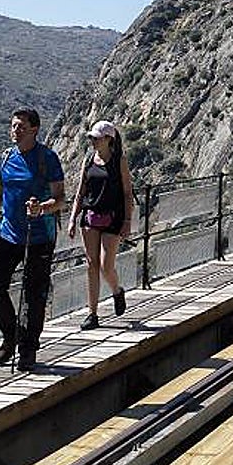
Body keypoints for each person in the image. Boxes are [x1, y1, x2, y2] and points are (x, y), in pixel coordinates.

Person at [0, 107, 66, 371]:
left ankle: (27, 349)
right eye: (13, 126)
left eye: (21, 126)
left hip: (39, 237)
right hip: (7, 233)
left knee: (34, 295)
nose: (15, 130)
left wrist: (41, 209)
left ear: (34, 129)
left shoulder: (48, 159)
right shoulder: (5, 158)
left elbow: (60, 199)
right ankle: (12, 336)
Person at [68, 120, 134, 329]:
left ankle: (117, 291)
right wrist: (72, 219)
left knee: (106, 265)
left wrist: (127, 221)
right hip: (90, 217)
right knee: (91, 265)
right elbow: (80, 193)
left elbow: (127, 193)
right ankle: (92, 314)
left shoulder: (118, 161)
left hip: (113, 218)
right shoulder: (88, 161)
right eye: (91, 138)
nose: (93, 141)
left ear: (108, 139)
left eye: (96, 138)